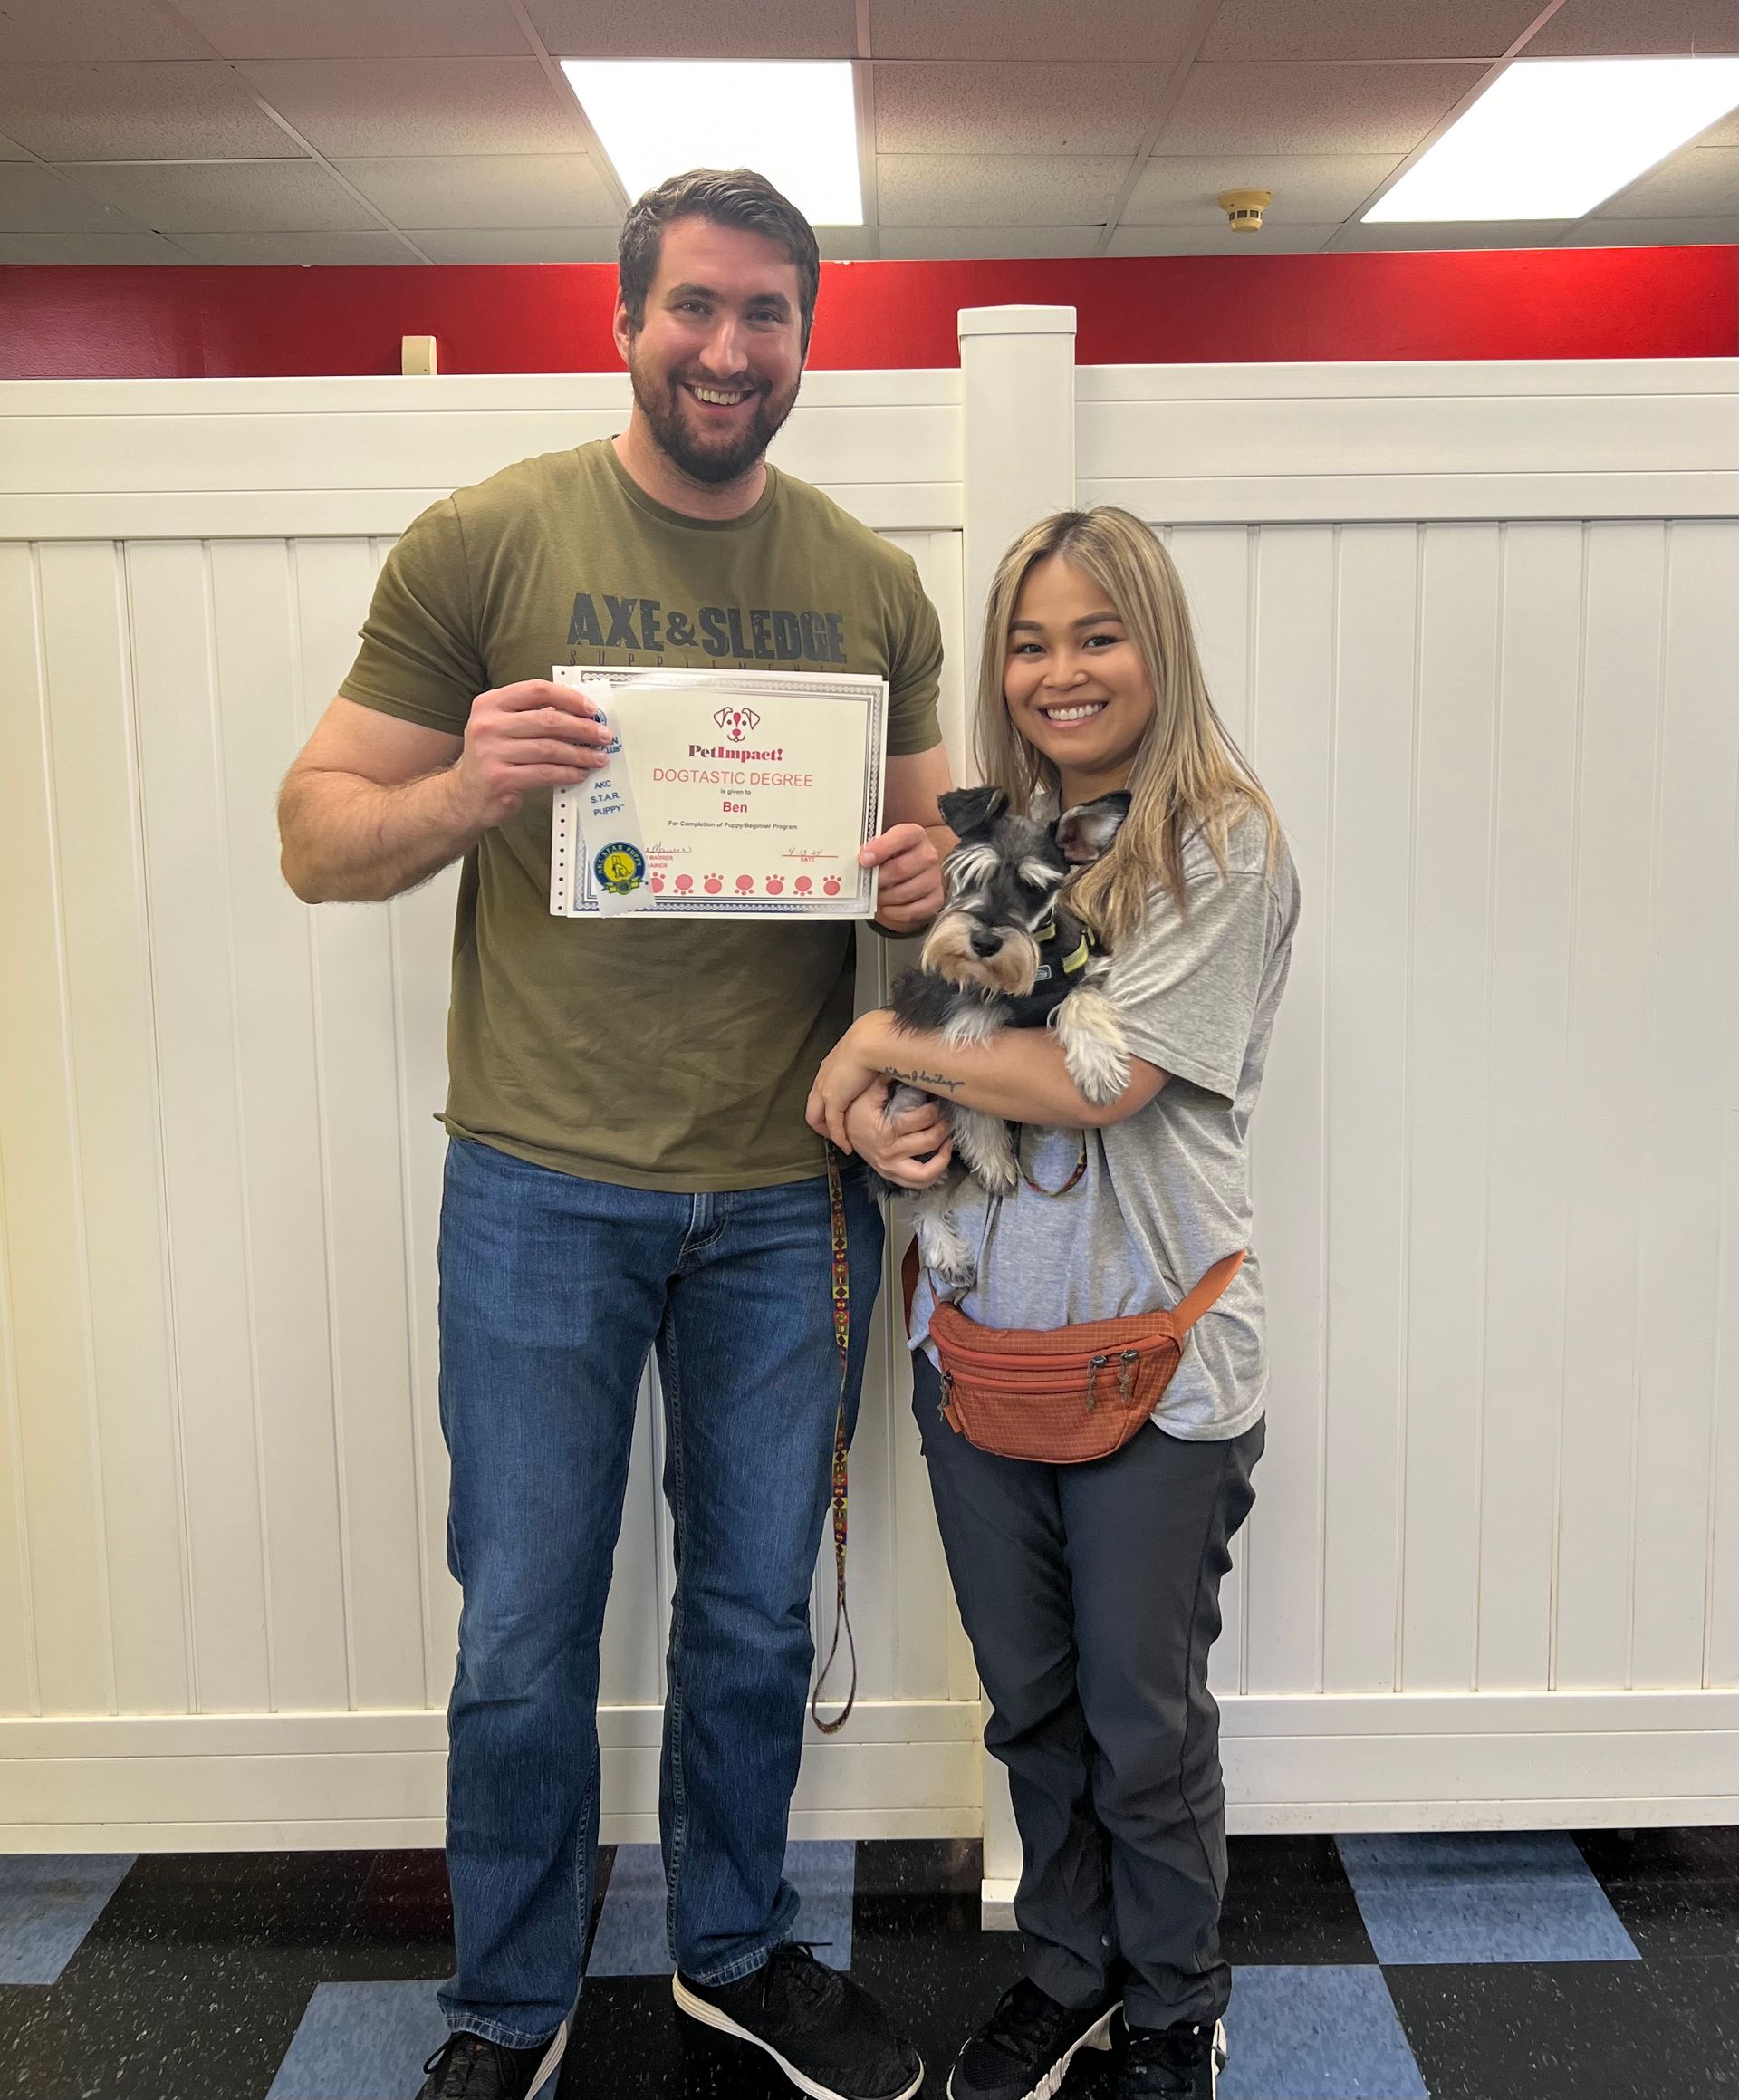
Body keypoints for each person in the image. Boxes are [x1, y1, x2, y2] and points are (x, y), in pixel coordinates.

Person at [277, 168, 955, 2100]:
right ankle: (512, 2000)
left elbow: (926, 880)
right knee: (522, 1627)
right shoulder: (487, 539)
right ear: (627, 320)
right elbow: (316, 834)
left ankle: (732, 1950)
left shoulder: (871, 583)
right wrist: (467, 788)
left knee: (748, 1615)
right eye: (696, 309)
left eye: (769, 315)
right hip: (538, 1186)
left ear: (806, 338)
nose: (731, 350)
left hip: (791, 1193)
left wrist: (917, 881)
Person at [809, 507, 1299, 2100]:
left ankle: (1173, 2003)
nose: (1059, 670)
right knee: (1032, 1708)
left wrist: (876, 1046)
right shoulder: (999, 838)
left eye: (1098, 634)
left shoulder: (1217, 842)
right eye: (1029, 642)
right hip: (979, 1355)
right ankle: (1073, 1968)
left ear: (1159, 645)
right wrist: (892, 1117)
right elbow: (957, 1051)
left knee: (1143, 1725)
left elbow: (1104, 1080)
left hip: (1158, 1357)